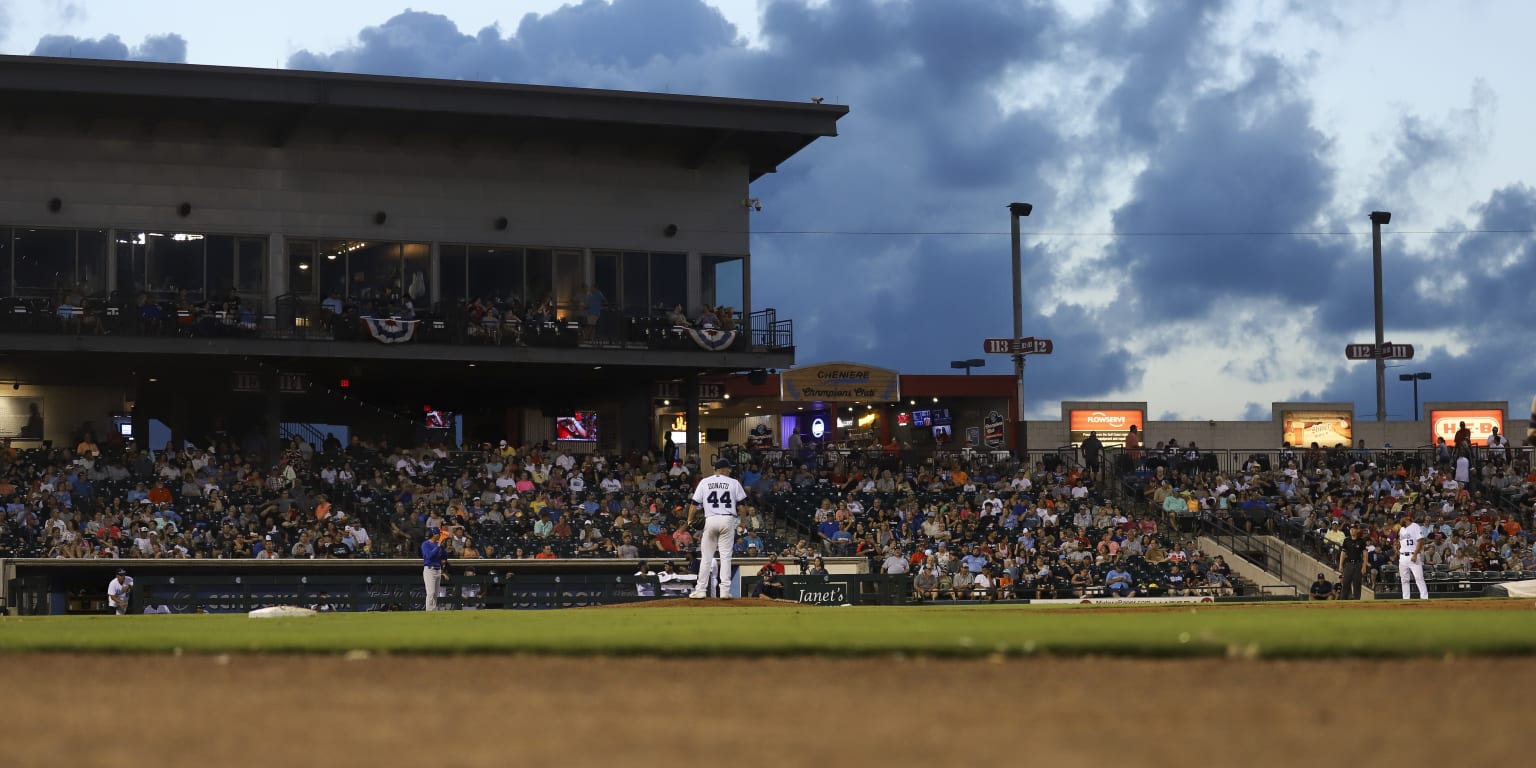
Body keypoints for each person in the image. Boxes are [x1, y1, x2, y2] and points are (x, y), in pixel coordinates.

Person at [686, 458, 747, 599]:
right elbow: (742, 506)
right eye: (728, 468)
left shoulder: (705, 482)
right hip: (727, 519)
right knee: (726, 557)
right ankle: (725, 591)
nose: (730, 470)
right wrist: (742, 522)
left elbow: (694, 504)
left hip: (710, 519)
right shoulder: (734, 482)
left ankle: (701, 589)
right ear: (722, 469)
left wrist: (689, 520)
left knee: (706, 557)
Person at [1397, 509, 1429, 600]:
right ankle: (1406, 598)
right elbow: (1403, 542)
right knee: (1404, 580)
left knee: (1419, 578)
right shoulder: (1402, 529)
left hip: (1413, 555)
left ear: (1404, 518)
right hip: (1403, 557)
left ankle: (1424, 598)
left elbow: (1420, 541)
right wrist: (1399, 549)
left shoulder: (1415, 526)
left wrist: (1415, 554)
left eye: (1399, 519)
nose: (1399, 522)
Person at [1337, 524, 1368, 600]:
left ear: (1357, 530)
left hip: (1358, 564)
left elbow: (1365, 554)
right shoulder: (1346, 540)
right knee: (1345, 584)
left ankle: (1357, 602)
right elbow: (1343, 553)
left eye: (1354, 529)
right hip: (1349, 564)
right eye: (1351, 529)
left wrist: (1364, 566)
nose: (1352, 530)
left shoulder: (1361, 541)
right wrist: (1340, 565)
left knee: (1357, 584)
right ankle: (1343, 602)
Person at [421, 531, 450, 611]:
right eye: (438, 534)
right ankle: (429, 611)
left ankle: (433, 611)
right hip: (430, 569)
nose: (439, 535)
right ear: (433, 535)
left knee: (435, 594)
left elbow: (445, 556)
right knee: (431, 593)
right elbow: (429, 556)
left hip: (438, 570)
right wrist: (438, 546)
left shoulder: (438, 544)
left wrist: (443, 547)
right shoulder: (426, 544)